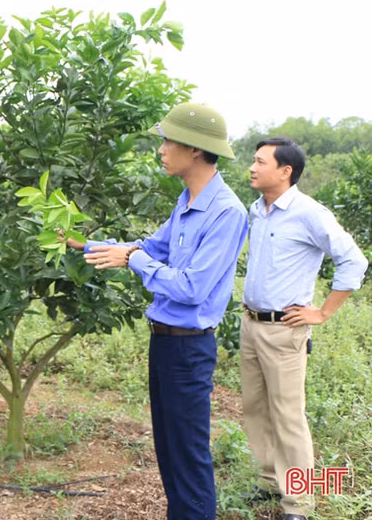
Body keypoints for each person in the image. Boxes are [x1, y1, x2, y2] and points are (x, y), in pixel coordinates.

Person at [66, 102, 248, 519]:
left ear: (196, 149)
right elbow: (149, 248)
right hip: (165, 345)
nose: (162, 149)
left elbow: (191, 288)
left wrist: (133, 261)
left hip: (189, 349)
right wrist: (82, 243)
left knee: (187, 453)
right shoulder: (187, 201)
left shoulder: (225, 211)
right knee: (169, 448)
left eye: (168, 141)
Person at [240, 138, 367, 520]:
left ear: (285, 171)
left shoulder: (309, 213)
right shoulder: (257, 210)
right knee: (255, 409)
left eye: (260, 161)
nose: (252, 167)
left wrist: (323, 313)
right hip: (251, 324)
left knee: (288, 416)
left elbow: (354, 261)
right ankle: (268, 482)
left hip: (285, 331)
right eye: (253, 160)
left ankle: (298, 503)